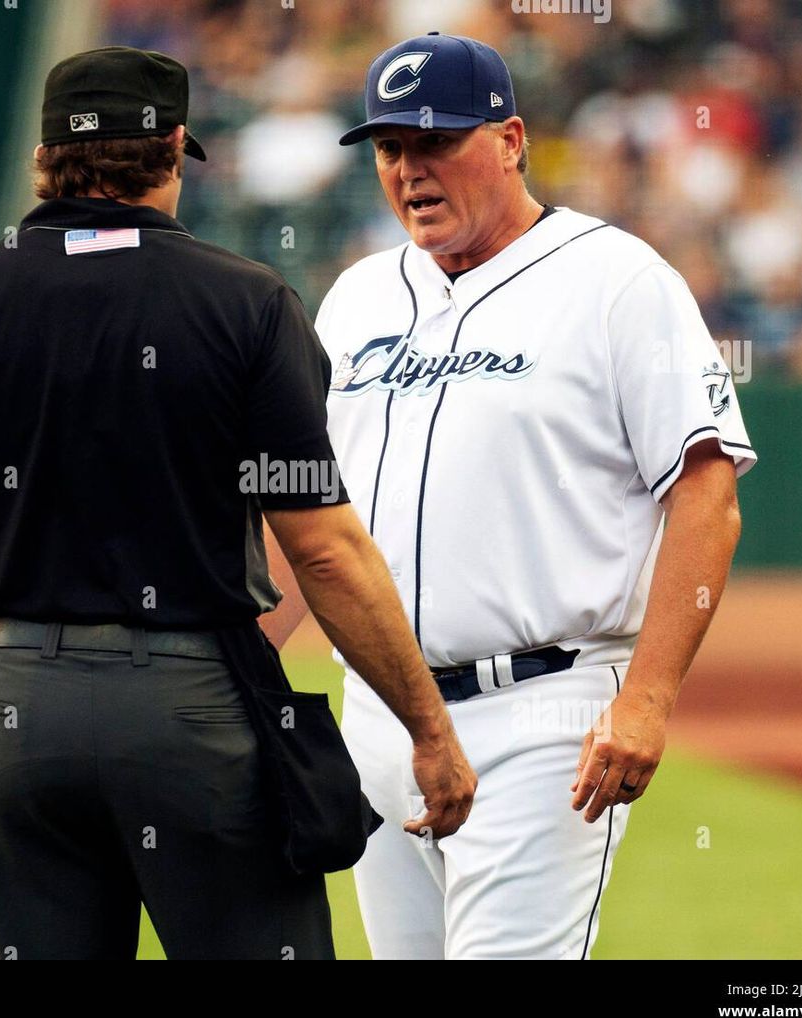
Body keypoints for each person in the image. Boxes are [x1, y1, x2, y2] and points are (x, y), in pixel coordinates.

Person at [0, 45, 474, 961]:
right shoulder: (249, 304)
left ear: (44, 159)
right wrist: (428, 726)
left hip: (6, 710)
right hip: (193, 712)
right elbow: (325, 551)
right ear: (174, 147)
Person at [261, 32, 757, 959]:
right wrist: (247, 672)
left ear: (511, 138)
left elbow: (706, 494)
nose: (410, 168)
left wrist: (647, 698)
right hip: (380, 713)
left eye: (436, 141)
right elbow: (308, 518)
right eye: (389, 147)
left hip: (544, 715)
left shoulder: (618, 281)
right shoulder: (358, 298)